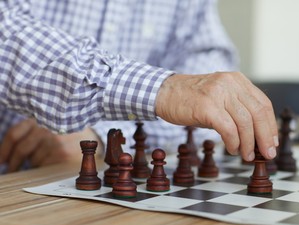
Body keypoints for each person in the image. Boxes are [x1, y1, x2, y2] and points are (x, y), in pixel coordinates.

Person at [0, 0, 278, 173]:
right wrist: (164, 90)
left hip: (90, 184)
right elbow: (5, 34)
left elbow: (207, 77)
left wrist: (106, 135)